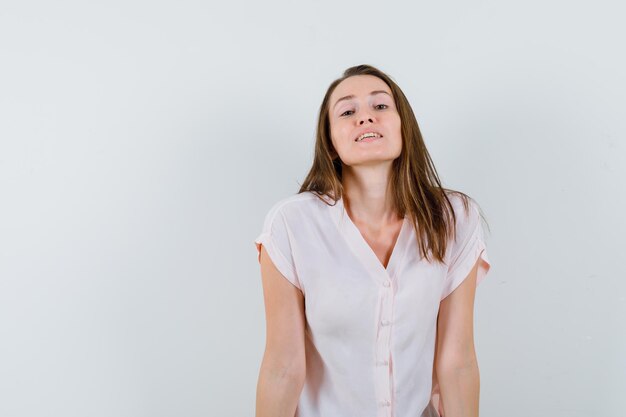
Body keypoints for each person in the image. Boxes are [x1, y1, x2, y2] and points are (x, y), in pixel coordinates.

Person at [254, 64, 491, 417]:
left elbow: (457, 362)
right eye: (348, 112)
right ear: (331, 144)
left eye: (380, 106)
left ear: (403, 128)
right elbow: (282, 367)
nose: (365, 118)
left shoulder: (455, 217)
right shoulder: (290, 225)